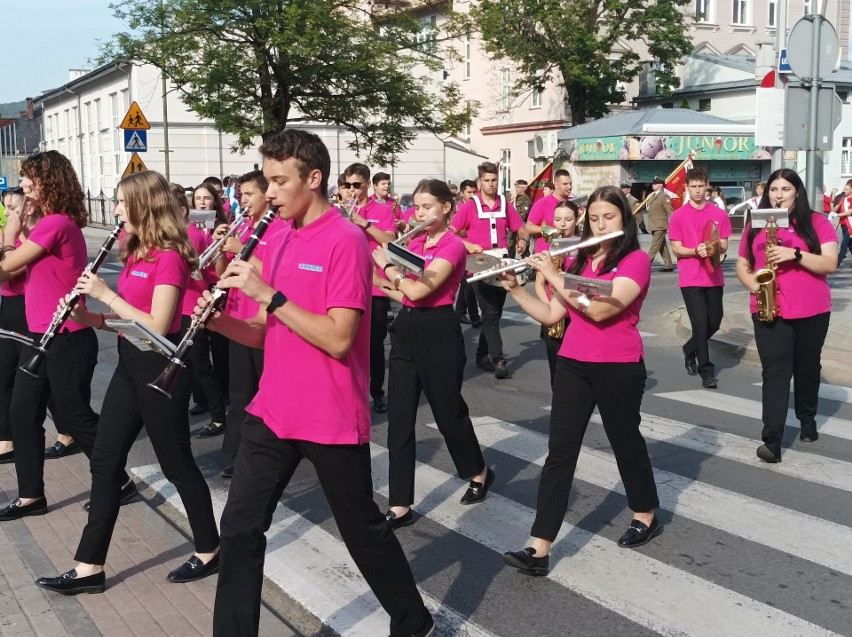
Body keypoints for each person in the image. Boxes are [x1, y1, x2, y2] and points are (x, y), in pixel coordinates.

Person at [195, 129, 434, 637]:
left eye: (280, 181)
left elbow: (339, 338)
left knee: (362, 532)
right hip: (273, 410)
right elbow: (265, 333)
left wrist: (268, 293)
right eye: (269, 180)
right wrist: (218, 323)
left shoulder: (344, 241)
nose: (272, 191)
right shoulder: (276, 235)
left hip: (327, 414)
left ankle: (414, 622)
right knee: (239, 528)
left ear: (314, 178)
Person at [34, 170, 220, 594]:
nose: (115, 209)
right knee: (104, 460)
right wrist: (90, 318)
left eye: (121, 202)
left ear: (143, 205)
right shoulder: (136, 252)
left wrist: (104, 292)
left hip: (162, 370)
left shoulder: (170, 256)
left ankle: (210, 548)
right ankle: (88, 566)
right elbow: (128, 322)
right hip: (128, 365)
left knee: (176, 465)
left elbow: (157, 323)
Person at [498, 185, 661, 577]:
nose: (600, 224)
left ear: (623, 219)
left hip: (618, 365)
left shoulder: (635, 260)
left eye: (609, 217)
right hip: (573, 363)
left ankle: (645, 513)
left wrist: (554, 274)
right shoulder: (581, 260)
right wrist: (517, 289)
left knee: (625, 442)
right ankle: (539, 546)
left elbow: (604, 310)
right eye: (594, 218)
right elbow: (553, 314)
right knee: (560, 451)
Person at [0, 151, 132, 522]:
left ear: (49, 182)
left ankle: (118, 480)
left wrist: (10, 234)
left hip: (67, 336)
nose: (24, 185)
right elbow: (23, 279)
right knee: (22, 412)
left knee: (74, 417)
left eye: (30, 179)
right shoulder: (49, 223)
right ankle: (30, 496)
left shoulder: (56, 222)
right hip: (41, 335)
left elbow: (5, 269)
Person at [372, 179, 494, 532]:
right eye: (417, 207)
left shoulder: (453, 245)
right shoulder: (416, 241)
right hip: (407, 329)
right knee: (399, 417)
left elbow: (421, 290)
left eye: (428, 206)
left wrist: (389, 269)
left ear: (446, 207)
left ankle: (480, 471)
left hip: (439, 330)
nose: (420, 213)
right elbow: (407, 297)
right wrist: (381, 282)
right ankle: (400, 503)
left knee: (448, 414)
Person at [736, 168, 838, 463]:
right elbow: (743, 264)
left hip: (812, 310)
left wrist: (795, 254)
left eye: (785, 190)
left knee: (807, 369)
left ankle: (807, 419)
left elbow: (830, 263)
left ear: (797, 192)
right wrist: (756, 287)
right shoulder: (756, 223)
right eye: (773, 190)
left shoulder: (816, 222)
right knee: (775, 373)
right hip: (769, 308)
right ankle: (772, 440)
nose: (778, 195)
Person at [216, 170, 285, 479]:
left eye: (248, 194)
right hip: (238, 314)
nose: (242, 199)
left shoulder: (278, 229)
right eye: (240, 194)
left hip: (265, 321)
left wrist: (239, 250)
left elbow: (273, 274)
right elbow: (225, 272)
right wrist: (221, 251)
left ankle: (274, 448)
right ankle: (234, 452)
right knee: (239, 389)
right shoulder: (243, 226)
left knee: (267, 388)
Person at [451, 162, 529, 379]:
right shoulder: (470, 205)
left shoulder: (505, 204)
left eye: (494, 180)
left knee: (494, 312)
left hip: (502, 262)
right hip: (479, 265)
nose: (491, 184)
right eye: (486, 180)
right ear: (479, 182)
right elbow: (451, 232)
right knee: (491, 312)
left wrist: (522, 239)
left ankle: (482, 354)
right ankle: (498, 359)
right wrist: (468, 245)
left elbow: (520, 228)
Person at [668, 168, 732, 390]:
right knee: (700, 323)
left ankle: (689, 348)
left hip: (714, 275)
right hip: (691, 278)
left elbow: (724, 244)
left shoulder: (719, 214)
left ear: (707, 186)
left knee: (715, 320)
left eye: (700, 186)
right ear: (687, 187)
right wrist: (696, 250)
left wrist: (713, 247)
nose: (697, 191)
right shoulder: (678, 216)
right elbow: (676, 248)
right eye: (693, 187)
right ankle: (707, 370)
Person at [343, 163, 397, 414]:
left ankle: (377, 393)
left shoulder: (383, 210)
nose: (352, 190)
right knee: (346, 341)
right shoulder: (339, 211)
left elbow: (390, 240)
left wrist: (363, 223)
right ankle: (350, 391)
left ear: (367, 185)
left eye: (357, 185)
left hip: (375, 285)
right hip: (346, 283)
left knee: (374, 345)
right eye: (348, 185)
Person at [0, 187, 44, 466]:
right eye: (5, 207)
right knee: (3, 377)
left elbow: (10, 270)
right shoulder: (8, 234)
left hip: (29, 309)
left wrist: (10, 238)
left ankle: (66, 433)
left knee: (34, 379)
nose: (7, 213)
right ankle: (5, 440)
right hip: (7, 308)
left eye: (13, 207)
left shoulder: (33, 235)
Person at [533, 200, 579, 386]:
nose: (562, 224)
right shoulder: (548, 248)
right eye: (558, 219)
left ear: (577, 220)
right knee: (557, 369)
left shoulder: (584, 247)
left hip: (576, 314)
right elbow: (539, 284)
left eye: (568, 219)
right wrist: (548, 310)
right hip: (554, 316)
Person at [454, 179, 482, 327]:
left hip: (474, 253)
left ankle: (459, 313)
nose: (472, 195)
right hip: (460, 250)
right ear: (462, 193)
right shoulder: (456, 209)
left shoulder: (477, 208)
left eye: (474, 192)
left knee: (466, 284)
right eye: (469, 192)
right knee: (469, 284)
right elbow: (453, 231)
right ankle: (475, 318)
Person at [526, 169, 573, 253]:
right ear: (556, 184)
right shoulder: (542, 203)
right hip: (546, 254)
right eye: (565, 184)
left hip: (569, 252)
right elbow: (528, 227)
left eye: (570, 184)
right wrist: (548, 230)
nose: (569, 187)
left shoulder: (573, 203)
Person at [646, 177, 674, 271]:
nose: (652, 185)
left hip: (660, 225)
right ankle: (669, 265)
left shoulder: (664, 196)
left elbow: (670, 211)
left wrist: (675, 224)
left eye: (655, 183)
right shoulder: (653, 196)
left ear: (661, 185)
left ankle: (645, 265)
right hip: (654, 225)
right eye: (653, 183)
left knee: (654, 246)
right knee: (662, 246)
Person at [832, 179, 852, 266]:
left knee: (844, 244)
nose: (844, 191)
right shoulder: (843, 199)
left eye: (847, 189)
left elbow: (849, 212)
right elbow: (834, 209)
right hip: (843, 224)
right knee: (850, 245)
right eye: (844, 189)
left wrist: (837, 215)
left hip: (850, 225)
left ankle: (837, 262)